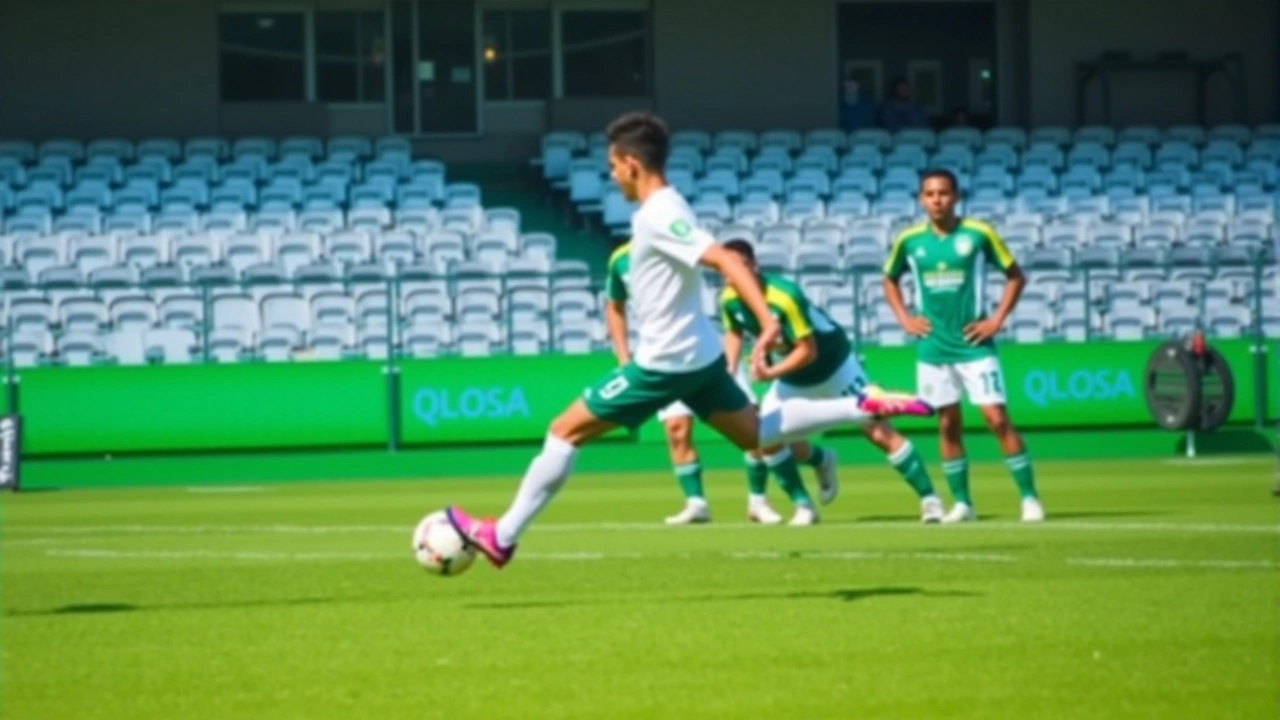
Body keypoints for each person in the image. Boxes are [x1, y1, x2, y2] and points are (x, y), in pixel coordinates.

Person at [446, 111, 933, 569]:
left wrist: (766, 322)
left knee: (563, 431)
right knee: (758, 434)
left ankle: (502, 537)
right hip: (699, 358)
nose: (611, 175)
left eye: (613, 166)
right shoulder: (668, 204)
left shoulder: (658, 214)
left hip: (665, 362)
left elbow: (724, 259)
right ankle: (861, 406)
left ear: (631, 164)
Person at [604, 242, 838, 526]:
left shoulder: (681, 246)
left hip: (706, 348)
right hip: (661, 355)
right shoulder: (620, 260)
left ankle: (763, 498)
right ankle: (696, 503)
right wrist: (622, 355)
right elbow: (614, 305)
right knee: (677, 429)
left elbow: (730, 266)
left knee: (756, 431)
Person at [720, 239, 946, 523]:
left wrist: (769, 374)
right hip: (793, 376)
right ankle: (804, 504)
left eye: (739, 267)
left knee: (877, 431)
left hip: (834, 364)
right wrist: (729, 369)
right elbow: (734, 332)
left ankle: (930, 500)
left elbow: (808, 351)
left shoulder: (784, 296)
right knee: (765, 436)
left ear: (754, 266)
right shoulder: (729, 298)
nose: (733, 275)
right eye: (727, 269)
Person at [882, 169, 1045, 523]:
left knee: (996, 418)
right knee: (947, 424)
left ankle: (1030, 498)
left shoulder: (978, 234)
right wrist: (905, 319)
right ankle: (962, 504)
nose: (936, 199)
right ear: (921, 199)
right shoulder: (909, 240)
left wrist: (996, 319)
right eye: (929, 194)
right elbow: (889, 279)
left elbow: (1015, 276)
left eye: (943, 193)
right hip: (932, 348)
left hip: (974, 345)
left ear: (956, 197)